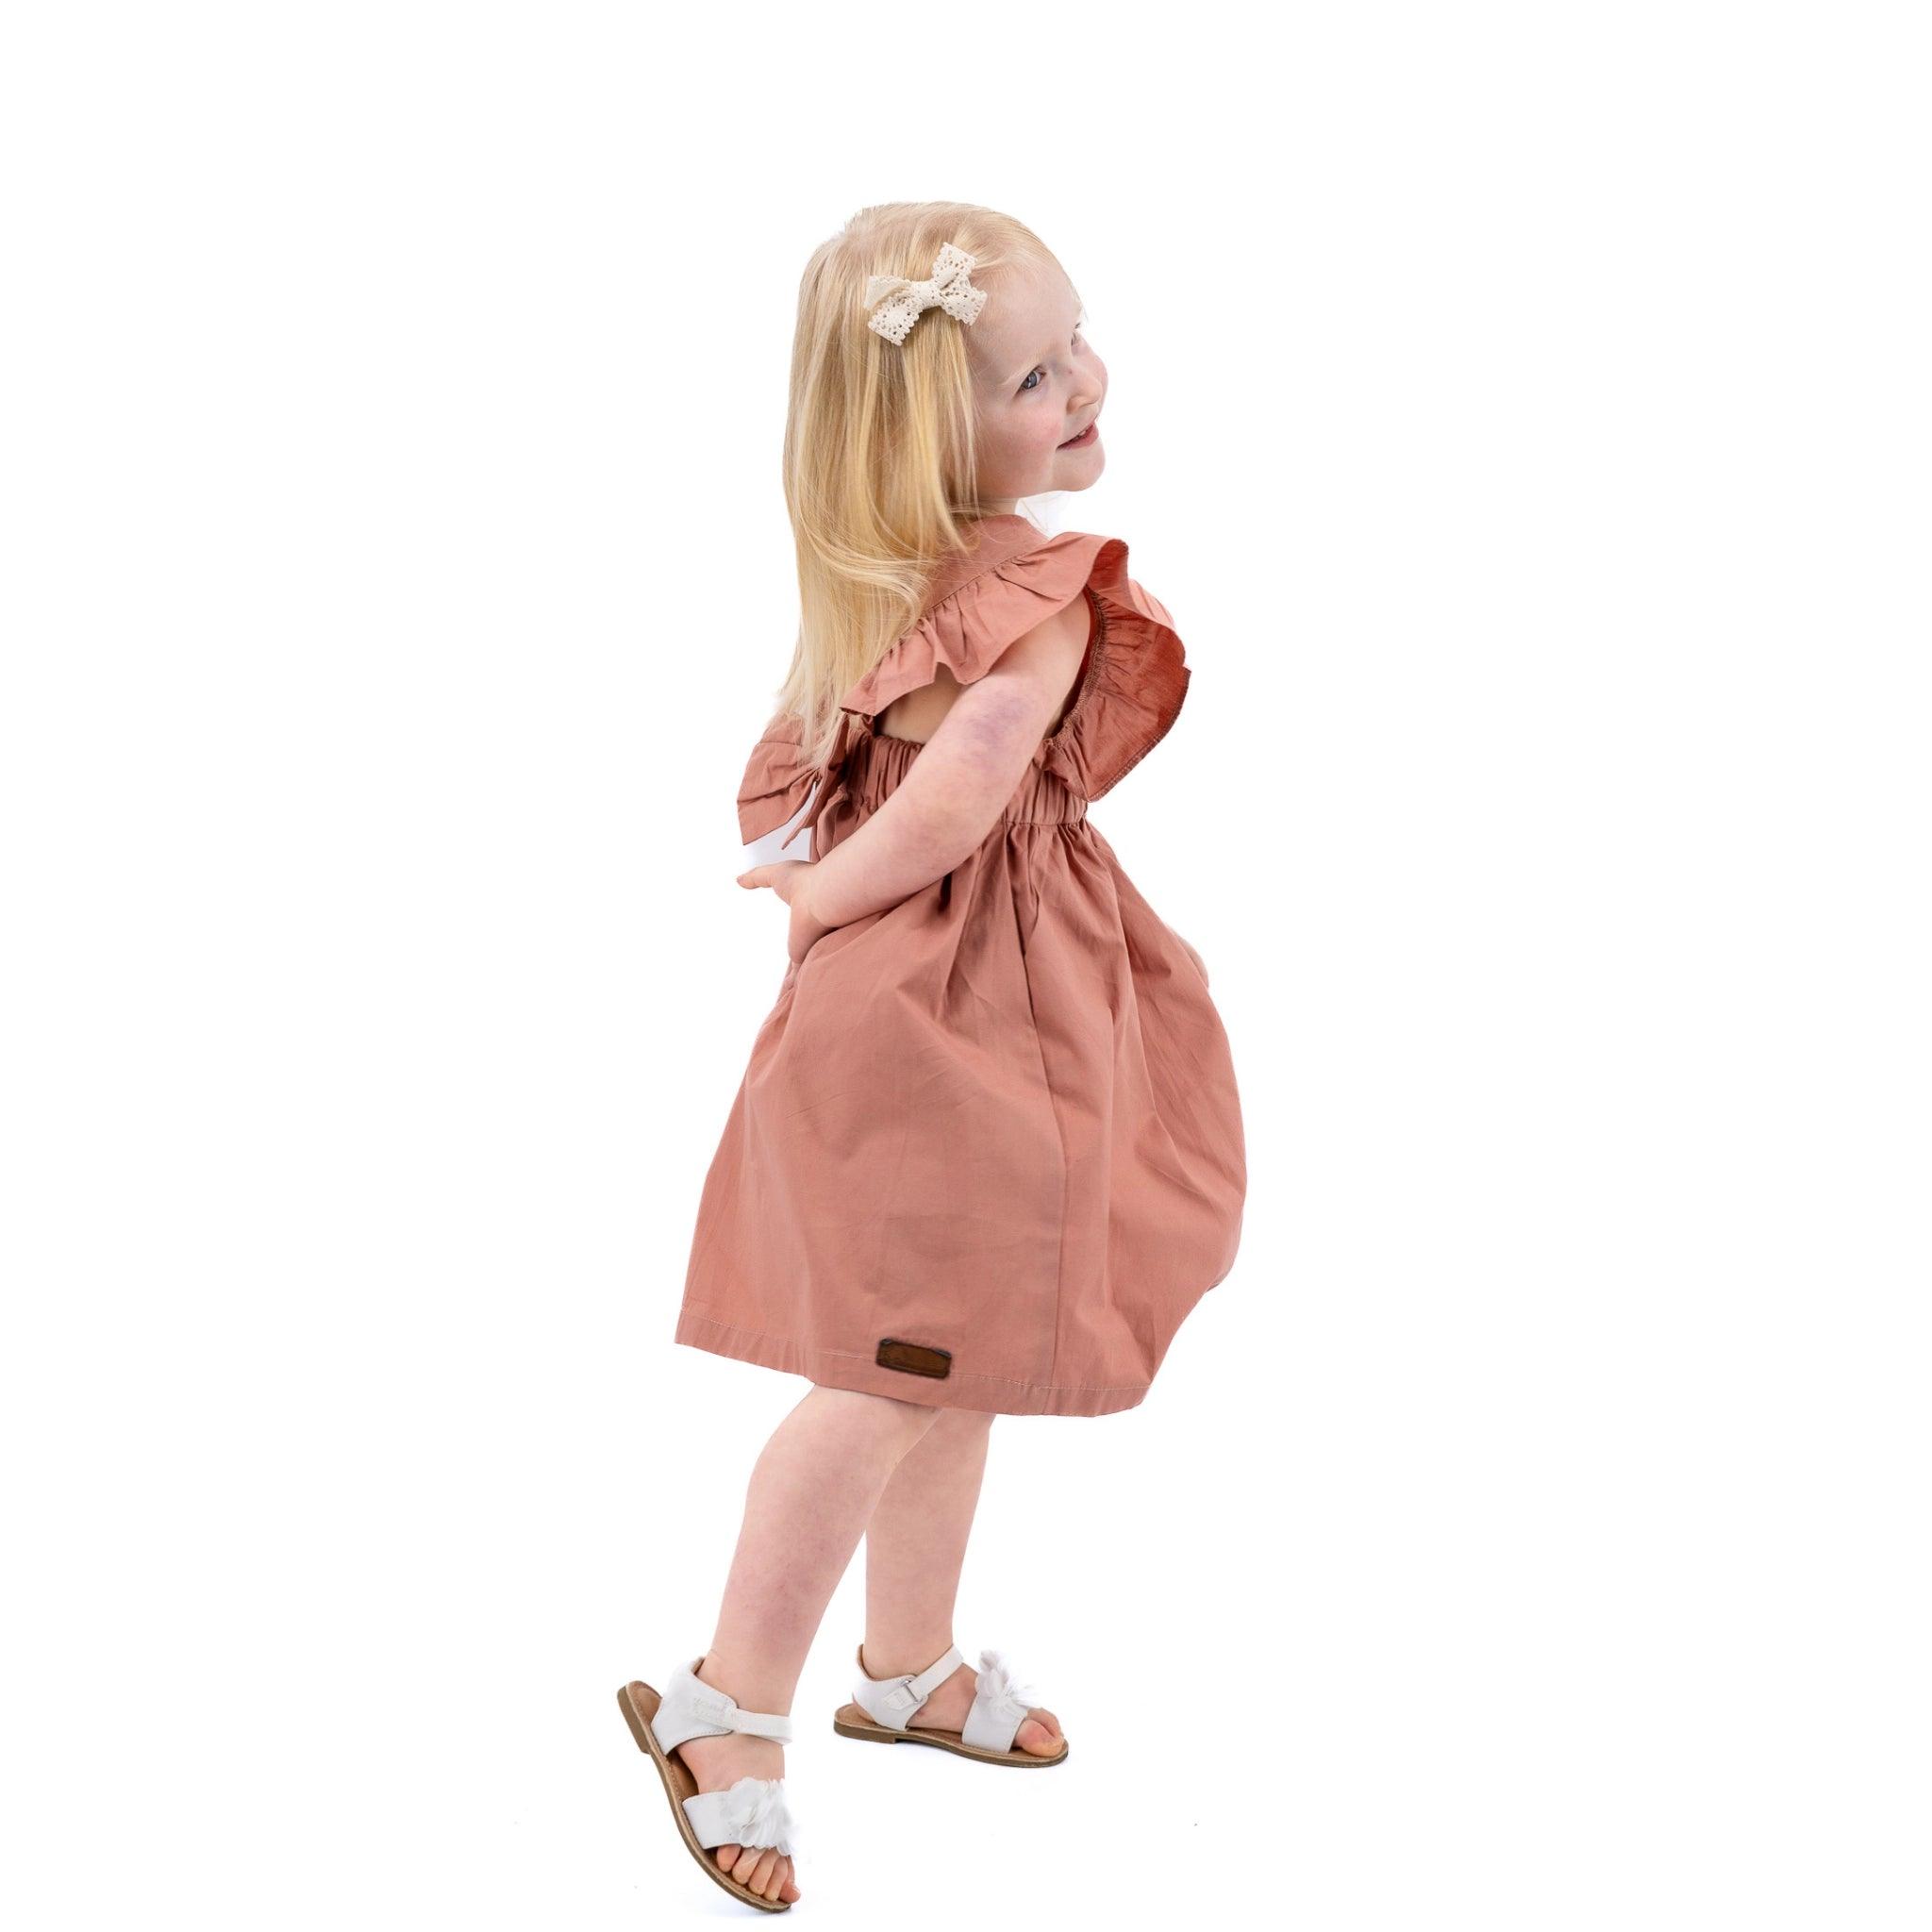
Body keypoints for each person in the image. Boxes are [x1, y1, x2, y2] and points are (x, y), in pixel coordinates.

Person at [616, 202, 1247, 1911]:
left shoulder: (905, 584)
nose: (1085, 383)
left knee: (953, 1344)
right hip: (953, 1020)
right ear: (926, 440)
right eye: (1036, 375)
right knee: (897, 1363)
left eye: (1074, 343)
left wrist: (823, 891)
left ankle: (905, 1665)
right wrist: (821, 900)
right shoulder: (1033, 597)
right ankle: (725, 1705)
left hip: (958, 1003)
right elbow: (961, 800)